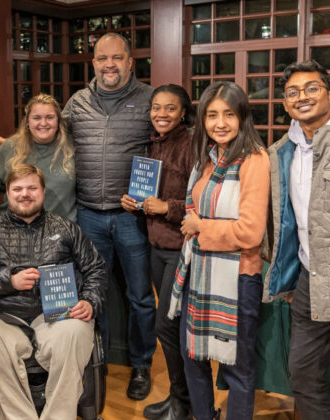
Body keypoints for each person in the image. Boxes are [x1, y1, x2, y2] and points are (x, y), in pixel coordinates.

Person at [0, 164, 106, 420]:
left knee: (75, 332)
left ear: (43, 191)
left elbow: (96, 268)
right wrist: (9, 280)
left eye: (31, 188)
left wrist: (91, 301)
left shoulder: (66, 228)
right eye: (17, 189)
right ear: (6, 193)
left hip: (55, 314)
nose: (24, 194)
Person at [167, 81, 270, 420]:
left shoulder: (254, 160)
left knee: (238, 369)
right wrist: (196, 221)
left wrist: (201, 227)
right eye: (212, 115)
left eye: (228, 114)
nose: (220, 123)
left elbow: (251, 231)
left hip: (239, 278)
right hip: (199, 274)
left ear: (243, 117)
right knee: (192, 357)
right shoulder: (208, 158)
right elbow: (195, 206)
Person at [62, 31, 156, 400]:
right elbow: (47, 135)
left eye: (117, 58)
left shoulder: (150, 100)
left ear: (131, 62)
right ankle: (94, 363)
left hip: (132, 217)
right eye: (102, 58)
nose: (110, 65)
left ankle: (142, 366)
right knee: (92, 295)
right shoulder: (77, 102)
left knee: (140, 298)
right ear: (94, 63)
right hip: (88, 216)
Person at [121, 84, 195, 420]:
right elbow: (148, 194)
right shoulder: (151, 145)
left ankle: (185, 401)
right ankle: (179, 398)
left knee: (168, 324)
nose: (161, 114)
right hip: (155, 245)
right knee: (168, 324)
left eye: (170, 108)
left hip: (181, 247)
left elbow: (200, 200)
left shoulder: (192, 144)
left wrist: (168, 206)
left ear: (183, 112)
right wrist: (134, 204)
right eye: (156, 108)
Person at [264, 60, 330, 420]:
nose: (302, 97)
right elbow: (285, 222)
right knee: (304, 372)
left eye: (312, 88)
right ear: (285, 104)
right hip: (309, 277)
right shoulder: (280, 153)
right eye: (292, 92)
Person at [0, 93, 76, 221]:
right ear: (27, 121)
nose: (43, 123)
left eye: (49, 117)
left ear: (58, 121)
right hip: (13, 232)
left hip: (62, 232)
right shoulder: (9, 148)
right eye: (36, 118)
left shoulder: (72, 148)